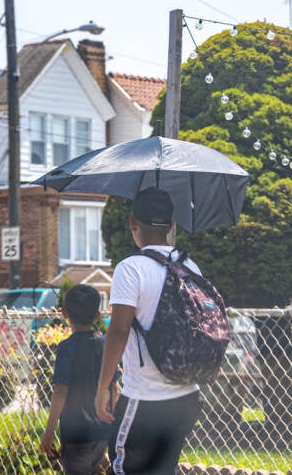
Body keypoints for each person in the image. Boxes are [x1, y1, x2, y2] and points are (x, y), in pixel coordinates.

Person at [95, 187, 202, 475]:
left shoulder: (131, 268)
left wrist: (104, 386)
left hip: (145, 399)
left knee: (125, 469)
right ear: (170, 225)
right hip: (188, 397)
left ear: (133, 223)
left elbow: (118, 330)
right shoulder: (190, 266)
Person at [40, 284, 114, 475]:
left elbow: (60, 391)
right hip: (102, 431)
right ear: (97, 315)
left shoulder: (66, 348)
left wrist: (49, 432)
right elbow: (114, 387)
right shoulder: (105, 344)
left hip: (75, 434)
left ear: (64, 313)